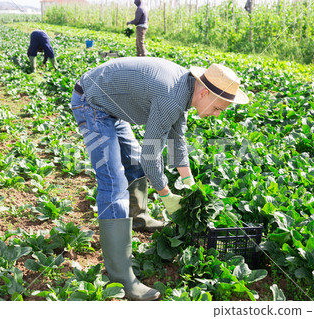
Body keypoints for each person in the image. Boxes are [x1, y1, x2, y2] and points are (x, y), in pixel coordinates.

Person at [70, 57, 249, 301]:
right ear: (205, 93)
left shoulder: (186, 90)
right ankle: (121, 275)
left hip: (113, 107)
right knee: (113, 182)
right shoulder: (170, 98)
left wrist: (190, 185)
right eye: (217, 108)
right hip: (91, 102)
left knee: (133, 164)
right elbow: (151, 156)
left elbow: (177, 141)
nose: (217, 114)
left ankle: (138, 218)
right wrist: (166, 196)